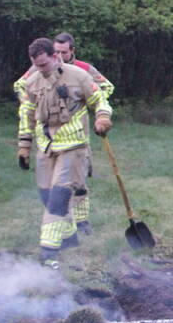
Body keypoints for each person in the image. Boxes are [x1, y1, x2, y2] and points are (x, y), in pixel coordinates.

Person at [17, 38, 112, 267]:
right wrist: (24, 146)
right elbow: (27, 113)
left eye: (44, 65)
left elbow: (100, 100)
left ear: (55, 57)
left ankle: (49, 250)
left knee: (59, 198)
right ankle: (69, 237)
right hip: (46, 147)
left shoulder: (78, 75)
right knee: (46, 196)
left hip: (73, 146)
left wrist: (103, 117)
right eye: (36, 65)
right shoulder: (32, 82)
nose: (40, 70)